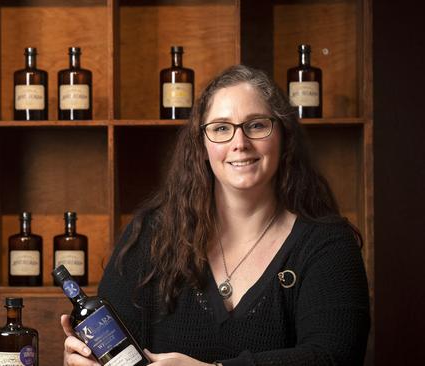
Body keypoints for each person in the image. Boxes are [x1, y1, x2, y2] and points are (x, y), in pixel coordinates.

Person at [60, 65, 371, 365]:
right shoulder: (151, 236)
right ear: (201, 144)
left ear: (284, 135)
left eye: (257, 125)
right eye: (221, 128)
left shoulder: (327, 245)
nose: (240, 143)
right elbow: (117, 351)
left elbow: (333, 357)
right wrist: (86, 359)